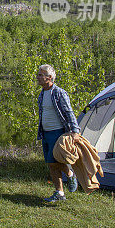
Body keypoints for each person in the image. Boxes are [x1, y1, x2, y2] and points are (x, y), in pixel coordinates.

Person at [36, 64, 80, 203]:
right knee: (51, 164)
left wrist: (75, 131)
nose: (38, 77)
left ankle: (70, 173)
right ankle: (59, 193)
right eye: (38, 74)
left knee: (53, 161)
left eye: (41, 75)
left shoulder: (59, 93)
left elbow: (69, 113)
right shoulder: (42, 94)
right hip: (46, 133)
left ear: (49, 77)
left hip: (58, 133)